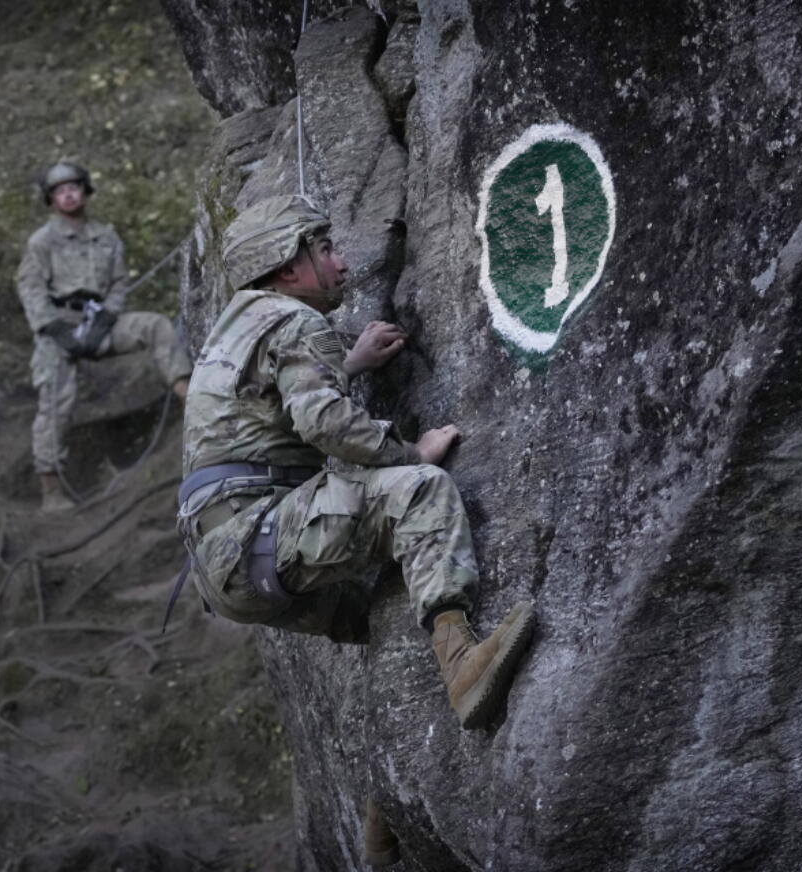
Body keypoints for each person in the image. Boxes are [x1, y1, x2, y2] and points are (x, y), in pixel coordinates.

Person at [177, 194, 536, 735]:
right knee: (419, 493)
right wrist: (412, 453)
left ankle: (392, 801)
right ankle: (463, 668)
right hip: (257, 535)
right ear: (290, 265)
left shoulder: (238, 327)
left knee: (389, 613)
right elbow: (324, 425)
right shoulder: (294, 320)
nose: (341, 262)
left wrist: (349, 364)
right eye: (325, 248)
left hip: (226, 564)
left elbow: (270, 410)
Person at [15, 162, 193, 513]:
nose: (68, 194)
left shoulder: (106, 236)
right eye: (60, 191)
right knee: (54, 398)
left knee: (155, 325)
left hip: (99, 322)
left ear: (84, 191)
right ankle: (51, 489)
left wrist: (107, 317)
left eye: (73, 187)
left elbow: (118, 283)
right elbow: (30, 288)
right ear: (51, 200)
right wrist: (55, 329)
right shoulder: (42, 241)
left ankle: (191, 397)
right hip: (59, 326)